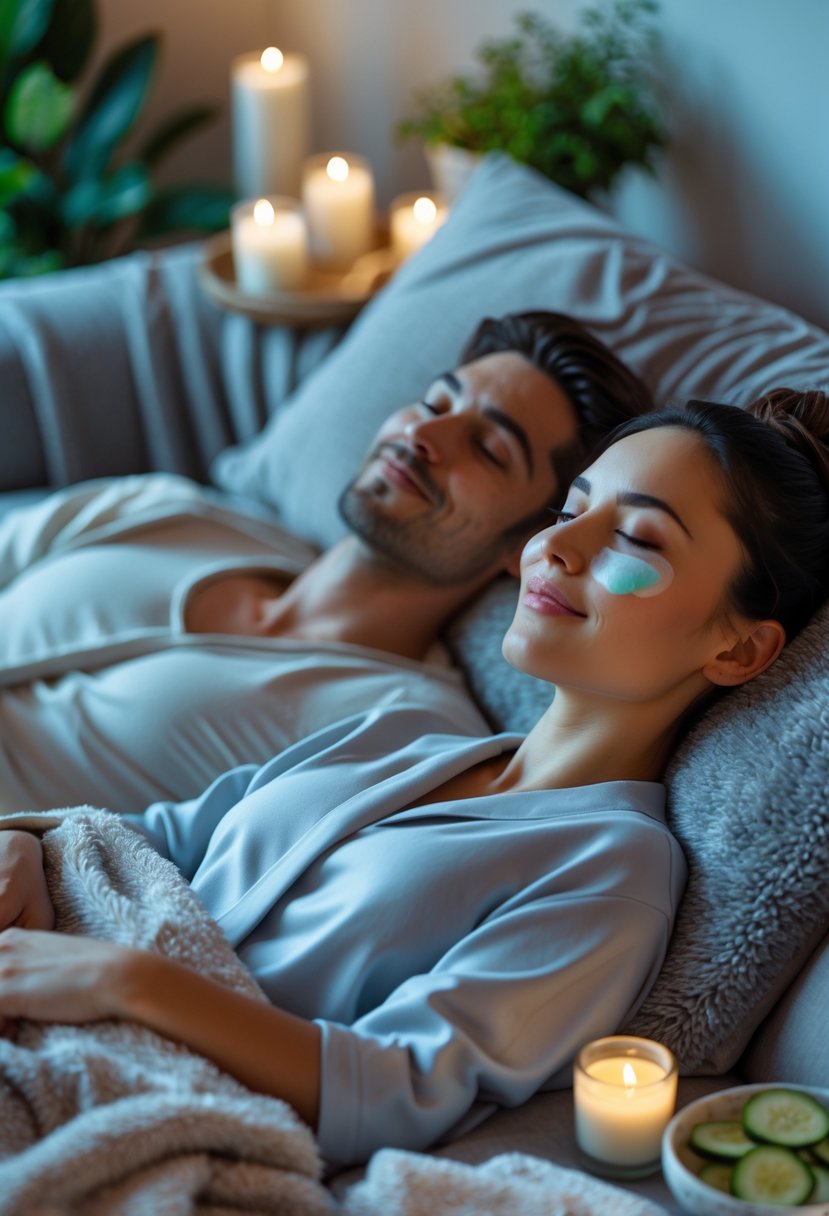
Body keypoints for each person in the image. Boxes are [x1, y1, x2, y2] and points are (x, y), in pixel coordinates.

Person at [0, 388, 825, 1171]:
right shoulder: (406, 735)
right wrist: (28, 844)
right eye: (573, 509)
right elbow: (163, 836)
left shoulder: (611, 875)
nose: (555, 547)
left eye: (637, 541)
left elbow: (397, 1089)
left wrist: (125, 981)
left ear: (736, 649)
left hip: (106, 1068)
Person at [0, 310, 652, 814]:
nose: (422, 438)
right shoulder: (169, 507)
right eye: (433, 404)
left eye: (486, 448)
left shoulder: (404, 733)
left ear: (527, 544)